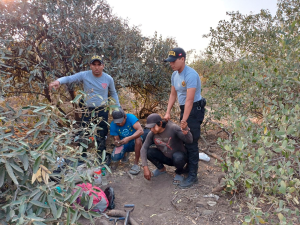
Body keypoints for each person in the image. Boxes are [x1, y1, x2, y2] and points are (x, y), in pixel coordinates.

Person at [48, 55, 120, 161]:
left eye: (99, 65)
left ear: (103, 66)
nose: (96, 67)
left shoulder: (108, 78)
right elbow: (70, 78)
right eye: (94, 64)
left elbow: (113, 93)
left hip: (102, 109)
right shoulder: (84, 75)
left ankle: (101, 156)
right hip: (87, 109)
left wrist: (118, 108)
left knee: (102, 132)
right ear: (90, 66)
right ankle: (83, 156)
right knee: (84, 132)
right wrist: (58, 81)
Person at [164, 47, 206, 188]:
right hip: (185, 109)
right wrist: (168, 111)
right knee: (185, 140)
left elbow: (189, 99)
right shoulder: (174, 75)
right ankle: (188, 168)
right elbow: (173, 95)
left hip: (194, 109)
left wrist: (185, 120)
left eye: (173, 61)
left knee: (191, 141)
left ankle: (193, 176)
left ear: (182, 59)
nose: (171, 64)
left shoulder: (191, 75)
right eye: (170, 62)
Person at [141, 113, 192, 184]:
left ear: (160, 123)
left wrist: (186, 130)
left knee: (178, 157)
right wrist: (145, 167)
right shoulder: (152, 133)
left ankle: (179, 172)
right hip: (166, 157)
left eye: (153, 127)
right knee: (149, 151)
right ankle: (161, 169)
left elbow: (189, 140)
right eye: (150, 128)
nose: (151, 129)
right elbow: (143, 148)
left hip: (179, 158)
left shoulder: (173, 128)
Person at [110, 108, 144, 175]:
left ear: (125, 117)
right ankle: (125, 154)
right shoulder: (113, 124)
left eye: (121, 121)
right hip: (124, 142)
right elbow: (116, 138)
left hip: (134, 141)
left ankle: (136, 164)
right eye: (117, 122)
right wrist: (117, 142)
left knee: (138, 139)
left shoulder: (131, 118)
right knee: (114, 158)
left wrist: (128, 138)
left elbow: (141, 131)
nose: (119, 124)